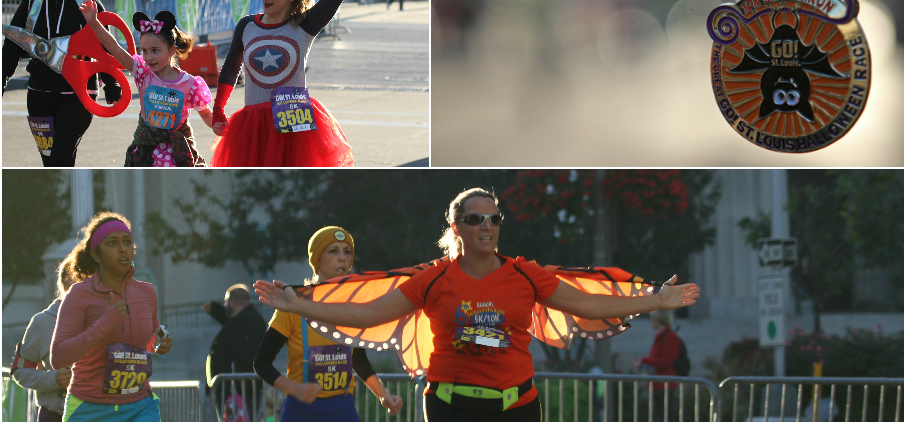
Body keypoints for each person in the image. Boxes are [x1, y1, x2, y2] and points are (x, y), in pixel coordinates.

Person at [254, 188, 700, 421]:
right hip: (449, 408)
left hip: (518, 407)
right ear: (457, 227)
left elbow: (586, 303)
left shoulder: (526, 274)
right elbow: (369, 315)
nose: (487, 225)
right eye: (475, 219)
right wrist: (300, 306)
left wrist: (653, 301)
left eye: (493, 218)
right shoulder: (433, 279)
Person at [211, 0, 354, 166]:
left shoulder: (304, 25)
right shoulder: (247, 26)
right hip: (253, 127)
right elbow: (231, 69)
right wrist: (218, 109)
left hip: (293, 123)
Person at [253, 227, 402, 421]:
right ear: (317, 261)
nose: (342, 258)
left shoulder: (353, 307)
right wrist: (295, 388)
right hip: (302, 410)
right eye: (333, 251)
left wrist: (384, 396)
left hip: (343, 409)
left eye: (347, 252)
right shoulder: (292, 304)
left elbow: (357, 360)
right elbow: (261, 363)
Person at [2, 0, 123, 166]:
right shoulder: (30, 4)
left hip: (78, 93)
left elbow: (104, 44)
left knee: (61, 154)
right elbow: (11, 46)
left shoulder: (85, 1)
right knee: (51, 162)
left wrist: (112, 83)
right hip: (39, 94)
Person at [51, 212, 172, 422]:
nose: (123, 248)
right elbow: (58, 357)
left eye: (127, 242)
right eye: (112, 243)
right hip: (89, 408)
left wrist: (159, 344)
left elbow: (148, 343)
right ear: (97, 255)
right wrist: (105, 323)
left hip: (140, 405)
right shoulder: (79, 294)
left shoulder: (147, 292)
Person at [80, 4, 213, 165]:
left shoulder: (190, 84)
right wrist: (93, 21)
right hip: (145, 152)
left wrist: (221, 126)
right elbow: (113, 47)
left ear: (172, 50)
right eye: (144, 50)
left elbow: (206, 114)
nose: (149, 56)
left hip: (177, 154)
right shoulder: (142, 73)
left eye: (155, 50)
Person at [13, 269, 75, 421]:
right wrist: (54, 379)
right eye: (78, 278)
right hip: (55, 415)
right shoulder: (42, 322)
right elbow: (19, 372)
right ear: (65, 282)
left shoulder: (106, 320)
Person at [206, 285, 269, 420]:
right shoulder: (240, 320)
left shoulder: (252, 321)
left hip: (241, 390)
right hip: (229, 388)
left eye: (226, 301)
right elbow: (228, 322)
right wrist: (214, 309)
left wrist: (236, 386)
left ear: (233, 300)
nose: (225, 304)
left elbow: (245, 356)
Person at [633, 311, 683, 421]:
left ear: (660, 320)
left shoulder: (670, 336)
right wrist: (643, 363)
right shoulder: (660, 337)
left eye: (653, 319)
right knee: (661, 417)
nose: (651, 322)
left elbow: (666, 361)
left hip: (665, 384)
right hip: (657, 384)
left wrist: (644, 360)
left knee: (666, 417)